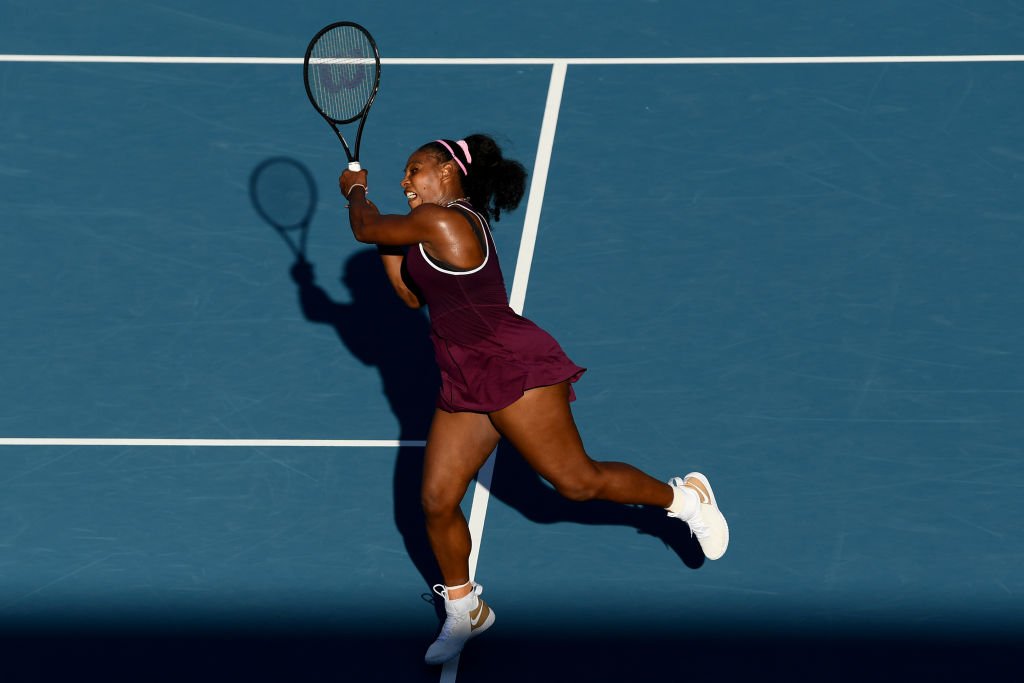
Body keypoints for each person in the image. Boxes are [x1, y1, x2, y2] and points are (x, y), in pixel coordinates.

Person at [339, 134, 729, 666]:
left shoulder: (448, 221)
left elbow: (364, 224)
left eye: (415, 171)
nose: (405, 181)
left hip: (512, 368)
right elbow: (410, 296)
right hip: (464, 377)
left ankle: (686, 500)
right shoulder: (425, 233)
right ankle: (465, 609)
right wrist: (387, 240)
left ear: (449, 172)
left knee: (575, 482)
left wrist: (355, 191)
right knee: (436, 499)